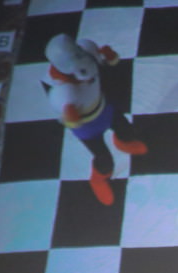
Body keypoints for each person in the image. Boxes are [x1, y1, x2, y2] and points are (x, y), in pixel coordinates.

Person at [44, 33, 147, 206]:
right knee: (104, 161)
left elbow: (110, 62)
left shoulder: (88, 51)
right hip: (88, 129)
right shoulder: (62, 92)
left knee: (126, 130)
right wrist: (70, 117)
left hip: (105, 109)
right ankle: (98, 179)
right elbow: (69, 121)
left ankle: (123, 143)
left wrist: (109, 56)